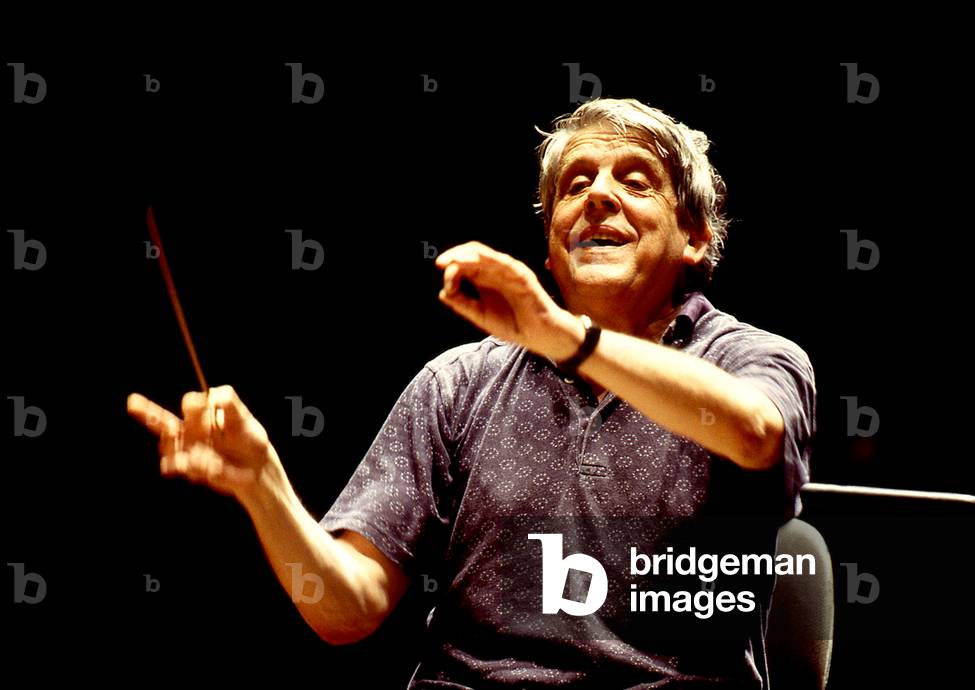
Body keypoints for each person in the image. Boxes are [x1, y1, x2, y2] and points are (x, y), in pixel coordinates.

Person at [127, 98, 815, 689]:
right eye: (575, 185)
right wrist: (264, 486)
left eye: (634, 180)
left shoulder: (753, 358)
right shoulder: (458, 383)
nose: (598, 195)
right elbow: (346, 610)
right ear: (550, 249)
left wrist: (565, 337)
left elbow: (754, 433)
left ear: (696, 237)